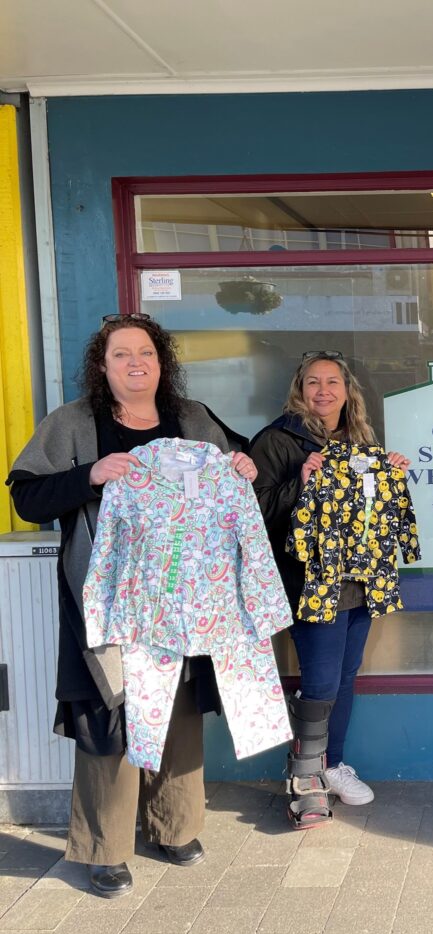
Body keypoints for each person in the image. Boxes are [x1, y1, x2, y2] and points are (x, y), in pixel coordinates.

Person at [5, 313, 258, 899]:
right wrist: (89, 474)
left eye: (144, 352)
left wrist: (243, 465)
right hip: (108, 602)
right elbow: (25, 495)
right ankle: (104, 848)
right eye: (121, 354)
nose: (135, 363)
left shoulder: (192, 419)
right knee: (108, 716)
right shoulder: (70, 424)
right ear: (103, 364)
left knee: (179, 710)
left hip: (189, 600)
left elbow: (240, 466)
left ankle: (175, 827)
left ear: (160, 361)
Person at [249, 351, 409, 827]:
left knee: (344, 675)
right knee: (319, 682)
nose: (323, 390)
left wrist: (391, 472)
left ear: (347, 390)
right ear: (300, 388)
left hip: (360, 578)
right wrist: (300, 483)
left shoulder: (360, 439)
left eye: (332, 382)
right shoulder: (278, 440)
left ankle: (332, 765)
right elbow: (250, 509)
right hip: (310, 582)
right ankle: (305, 778)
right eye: (313, 382)